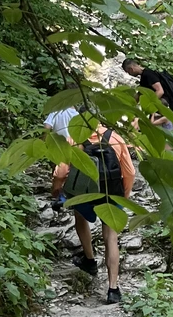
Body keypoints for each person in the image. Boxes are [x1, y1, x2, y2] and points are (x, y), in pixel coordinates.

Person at [51, 121, 135, 305]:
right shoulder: (116, 138)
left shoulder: (75, 139)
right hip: (111, 193)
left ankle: (89, 261)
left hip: (85, 193)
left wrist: (56, 190)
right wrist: (124, 196)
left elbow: (61, 172)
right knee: (111, 237)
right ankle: (113, 289)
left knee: (80, 217)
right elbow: (130, 173)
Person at [122, 58, 173, 130]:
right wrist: (128, 105)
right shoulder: (144, 77)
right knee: (150, 125)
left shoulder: (148, 75)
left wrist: (148, 105)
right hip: (163, 102)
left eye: (128, 72)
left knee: (152, 124)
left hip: (166, 102)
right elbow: (139, 94)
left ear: (131, 69)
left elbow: (160, 91)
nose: (129, 74)